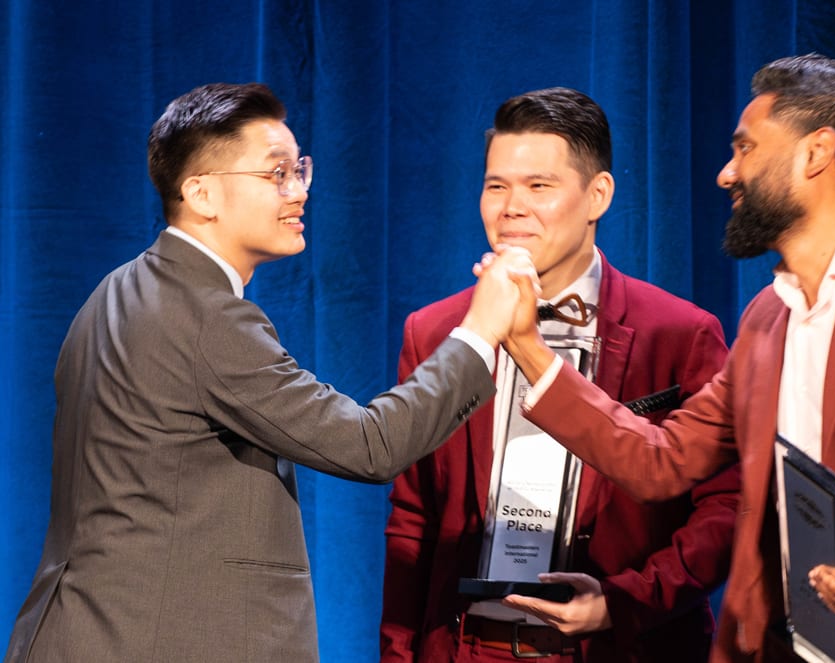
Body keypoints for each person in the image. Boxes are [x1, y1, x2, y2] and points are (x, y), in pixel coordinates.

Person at [4, 82, 535, 663]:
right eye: (276, 174)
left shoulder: (111, 293)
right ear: (201, 193)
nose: (299, 191)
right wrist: (481, 329)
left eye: (300, 169)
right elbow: (369, 445)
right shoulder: (205, 315)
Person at [500, 55, 835, 663]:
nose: (725, 173)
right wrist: (528, 347)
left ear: (815, 153)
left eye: (745, 148)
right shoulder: (768, 317)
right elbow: (661, 460)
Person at [380, 87, 740, 663]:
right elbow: (412, 520)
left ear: (597, 195)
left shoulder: (679, 332)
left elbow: (726, 510)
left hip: (620, 647)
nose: (510, 207)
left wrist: (623, 602)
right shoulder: (435, 331)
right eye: (496, 186)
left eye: (538, 187)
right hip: (471, 647)